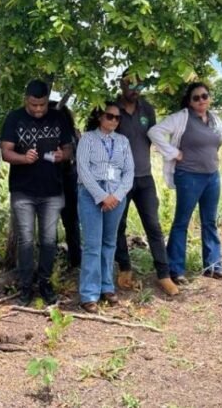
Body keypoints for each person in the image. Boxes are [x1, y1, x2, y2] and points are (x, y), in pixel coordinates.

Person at [1, 80, 74, 306]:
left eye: (42, 105)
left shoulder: (58, 117)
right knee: (26, 241)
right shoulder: (14, 118)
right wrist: (23, 159)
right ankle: (25, 286)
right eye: (34, 105)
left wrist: (64, 155)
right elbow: (5, 152)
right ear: (26, 100)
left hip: (52, 191)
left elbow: (69, 147)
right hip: (23, 191)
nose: (38, 110)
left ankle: (45, 283)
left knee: (49, 241)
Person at [148, 82, 222, 282]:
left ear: (209, 98)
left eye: (204, 96)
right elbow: (154, 132)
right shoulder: (181, 118)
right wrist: (173, 153)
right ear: (190, 101)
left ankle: (213, 265)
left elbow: (220, 139)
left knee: (210, 221)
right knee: (182, 222)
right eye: (196, 97)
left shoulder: (214, 120)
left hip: (212, 176)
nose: (201, 100)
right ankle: (175, 269)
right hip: (189, 176)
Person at [115, 73, 179, 296]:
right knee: (118, 227)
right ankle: (124, 269)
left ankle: (164, 275)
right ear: (121, 84)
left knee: (153, 227)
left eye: (139, 85)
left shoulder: (147, 110)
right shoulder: (110, 109)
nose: (135, 89)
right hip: (118, 180)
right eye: (130, 84)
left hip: (144, 178)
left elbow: (155, 138)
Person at [76, 103, 134, 313]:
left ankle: (106, 287)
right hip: (92, 193)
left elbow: (129, 173)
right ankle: (89, 294)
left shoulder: (123, 141)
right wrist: (101, 196)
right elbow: (83, 170)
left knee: (110, 242)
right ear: (100, 116)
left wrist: (116, 196)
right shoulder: (87, 139)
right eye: (110, 116)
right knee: (92, 244)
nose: (114, 121)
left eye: (118, 118)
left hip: (116, 193)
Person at [51, 100, 82, 269]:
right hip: (68, 179)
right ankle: (74, 259)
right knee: (70, 222)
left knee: (62, 222)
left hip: (65, 179)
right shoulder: (74, 133)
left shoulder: (70, 133)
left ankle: (63, 259)